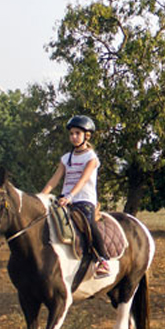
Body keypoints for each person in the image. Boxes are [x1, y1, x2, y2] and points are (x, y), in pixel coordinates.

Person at [40, 115, 112, 278]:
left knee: (88, 223)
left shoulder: (91, 158)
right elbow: (54, 179)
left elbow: (83, 179)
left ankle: (102, 259)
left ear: (86, 135)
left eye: (77, 133)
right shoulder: (66, 158)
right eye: (71, 133)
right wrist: (41, 197)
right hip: (65, 199)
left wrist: (70, 196)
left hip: (83, 200)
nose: (73, 136)